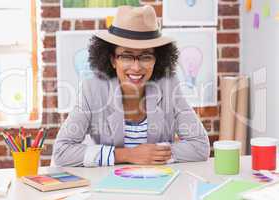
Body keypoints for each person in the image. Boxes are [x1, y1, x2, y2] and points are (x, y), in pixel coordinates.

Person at [53, 5, 210, 167]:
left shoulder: (169, 85)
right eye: (127, 56)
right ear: (113, 60)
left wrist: (154, 155)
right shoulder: (92, 89)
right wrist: (128, 155)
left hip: (158, 184)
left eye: (146, 56)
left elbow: (200, 146)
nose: (136, 67)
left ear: (157, 59)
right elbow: (62, 152)